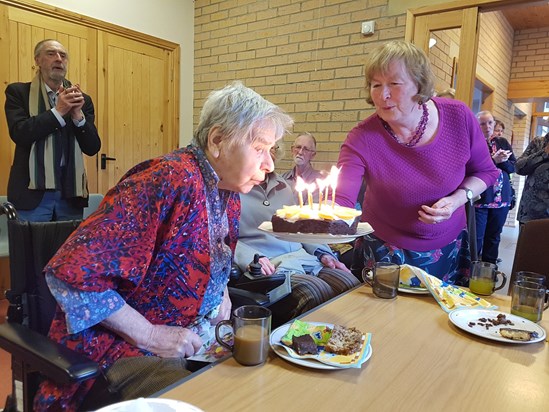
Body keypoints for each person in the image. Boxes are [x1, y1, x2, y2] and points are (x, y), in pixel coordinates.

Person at [33, 81, 294, 411]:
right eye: (259, 149)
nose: (269, 164)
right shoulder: (169, 178)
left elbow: (205, 259)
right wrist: (149, 335)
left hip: (195, 341)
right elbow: (70, 274)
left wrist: (221, 290)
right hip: (117, 352)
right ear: (217, 140)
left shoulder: (227, 193)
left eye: (271, 151)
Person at [335, 41, 499, 285]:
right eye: (376, 85)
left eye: (394, 83)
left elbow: (486, 171)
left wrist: (456, 201)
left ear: (419, 84)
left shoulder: (458, 117)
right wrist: (318, 221)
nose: (383, 94)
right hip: (383, 246)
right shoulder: (362, 137)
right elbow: (342, 200)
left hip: (447, 244)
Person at [234, 144, 359, 325]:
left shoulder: (283, 186)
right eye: (260, 151)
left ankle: (349, 344)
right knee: (316, 291)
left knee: (349, 283)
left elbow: (302, 226)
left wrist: (323, 254)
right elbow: (218, 239)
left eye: (272, 150)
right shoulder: (232, 189)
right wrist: (251, 259)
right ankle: (309, 350)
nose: (267, 159)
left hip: (303, 258)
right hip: (269, 267)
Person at [4, 39, 101, 222]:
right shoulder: (18, 93)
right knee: (31, 250)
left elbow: (92, 147)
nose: (58, 59)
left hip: (70, 193)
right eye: (51, 54)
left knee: (67, 251)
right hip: (31, 193)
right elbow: (20, 133)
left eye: (63, 56)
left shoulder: (82, 100)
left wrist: (78, 116)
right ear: (37, 60)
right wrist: (58, 112)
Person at [474, 112, 516, 264]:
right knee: (476, 238)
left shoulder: (502, 142)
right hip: (481, 199)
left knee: (494, 237)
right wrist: (494, 160)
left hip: (501, 200)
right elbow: (472, 168)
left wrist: (502, 161)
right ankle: (470, 273)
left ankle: (488, 273)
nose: (488, 127)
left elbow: (513, 167)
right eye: (483, 123)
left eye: (490, 123)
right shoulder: (473, 142)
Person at [515, 133, 549, 225]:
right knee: (528, 239)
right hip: (531, 214)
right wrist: (544, 153)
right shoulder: (538, 142)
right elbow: (519, 168)